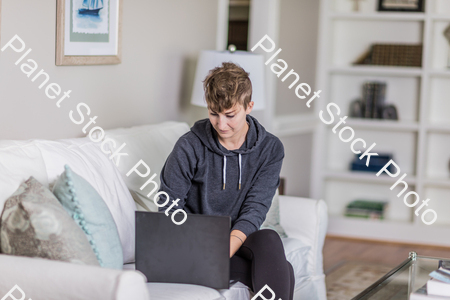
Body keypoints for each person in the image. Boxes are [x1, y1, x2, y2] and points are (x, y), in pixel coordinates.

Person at [157, 62, 295, 299]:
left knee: (269, 240)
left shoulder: (270, 149)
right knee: (284, 271)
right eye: (213, 113)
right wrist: (207, 247)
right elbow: (169, 207)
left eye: (230, 115)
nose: (221, 125)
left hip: (237, 238)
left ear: (249, 106)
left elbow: (256, 208)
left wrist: (226, 247)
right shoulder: (189, 146)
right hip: (194, 243)